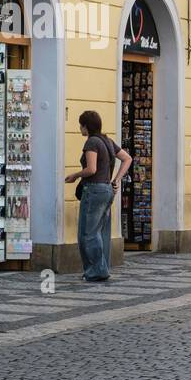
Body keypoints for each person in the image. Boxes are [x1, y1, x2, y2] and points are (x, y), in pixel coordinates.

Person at [65, 110, 131, 282]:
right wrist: (116, 180)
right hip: (107, 190)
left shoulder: (92, 142)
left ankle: (97, 271)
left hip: (94, 190)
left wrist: (75, 175)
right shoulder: (107, 141)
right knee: (101, 232)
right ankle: (99, 268)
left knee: (88, 233)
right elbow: (127, 158)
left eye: (81, 125)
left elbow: (91, 169)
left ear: (86, 126)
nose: (80, 128)